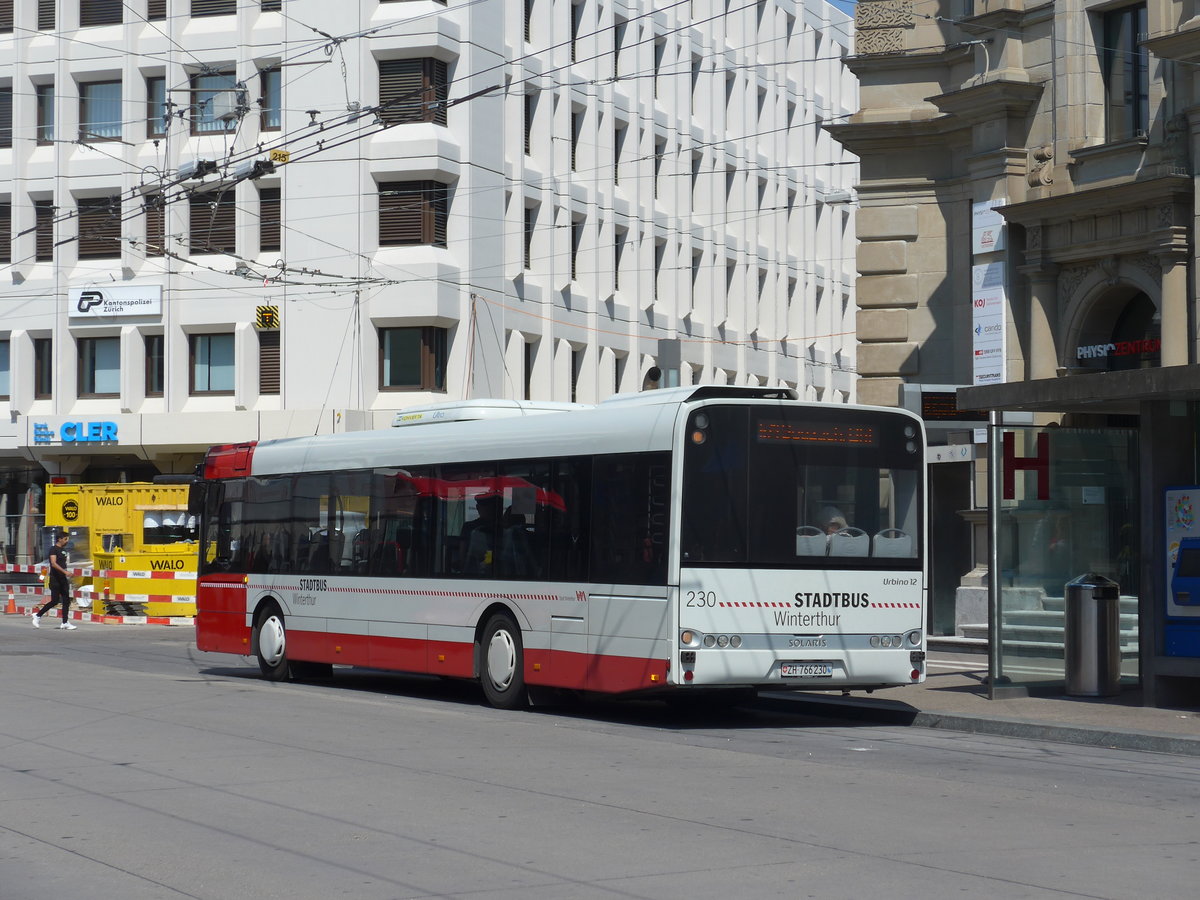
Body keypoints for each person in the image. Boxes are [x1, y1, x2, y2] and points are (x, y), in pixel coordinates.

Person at [32, 531, 77, 630]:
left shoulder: (63, 550)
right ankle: (38, 615)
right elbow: (53, 563)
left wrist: (66, 573)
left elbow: (63, 563)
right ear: (59, 539)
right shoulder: (53, 549)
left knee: (66, 600)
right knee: (55, 601)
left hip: (63, 579)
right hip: (55, 579)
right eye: (65, 539)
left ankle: (65, 622)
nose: (66, 541)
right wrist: (65, 572)